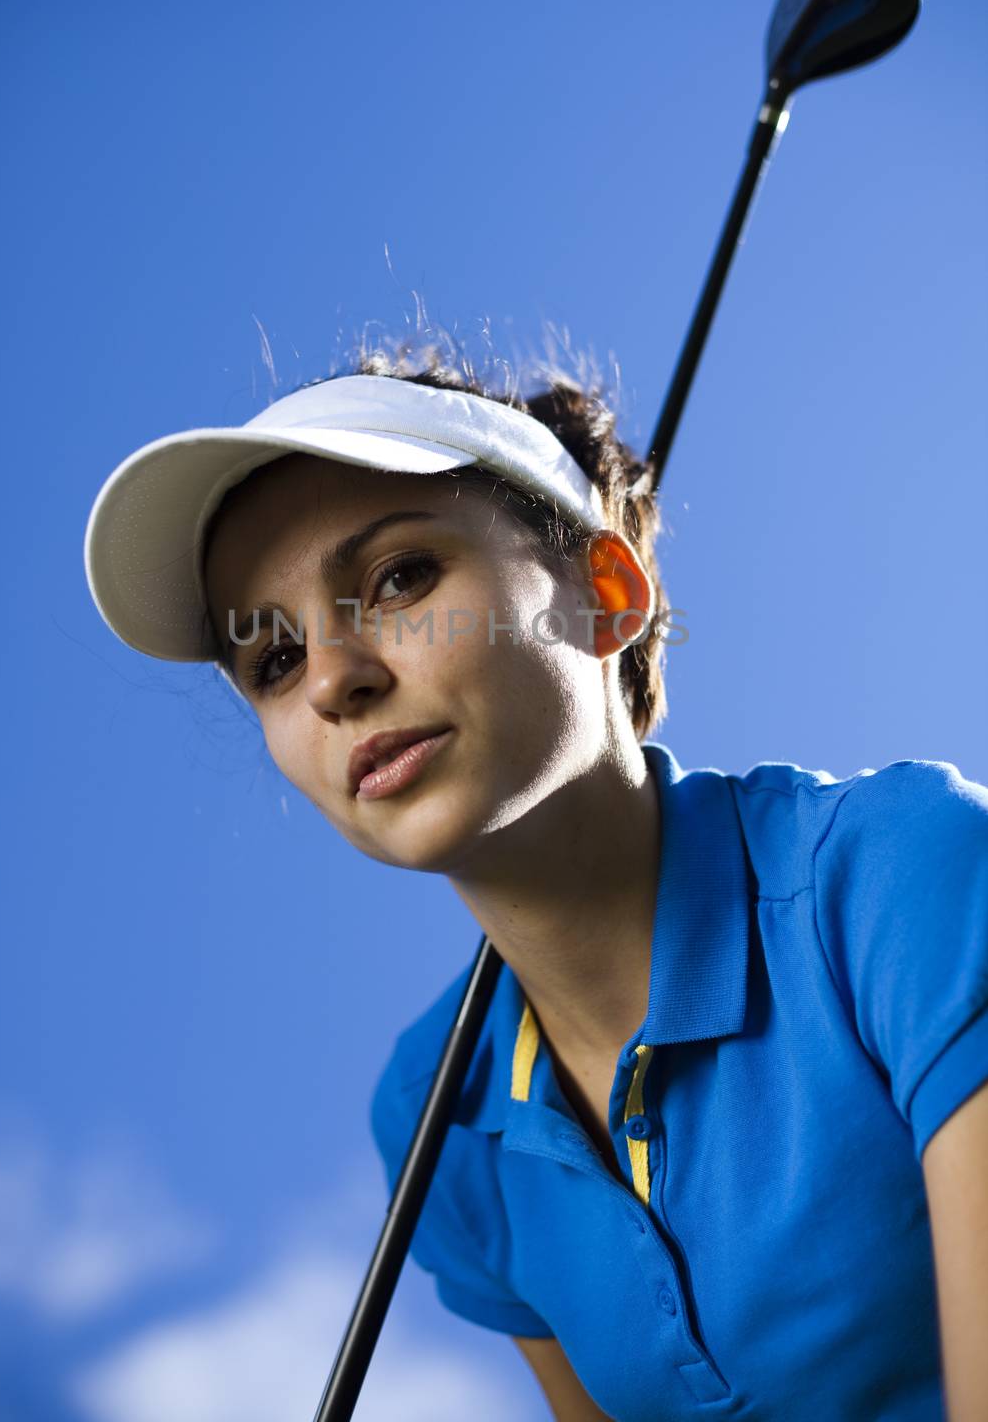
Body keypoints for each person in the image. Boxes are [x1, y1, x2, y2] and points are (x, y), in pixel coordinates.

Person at [84, 338, 988, 1421]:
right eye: (272, 660)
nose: (331, 679)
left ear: (606, 591)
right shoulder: (432, 1117)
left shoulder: (901, 872)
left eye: (398, 576)